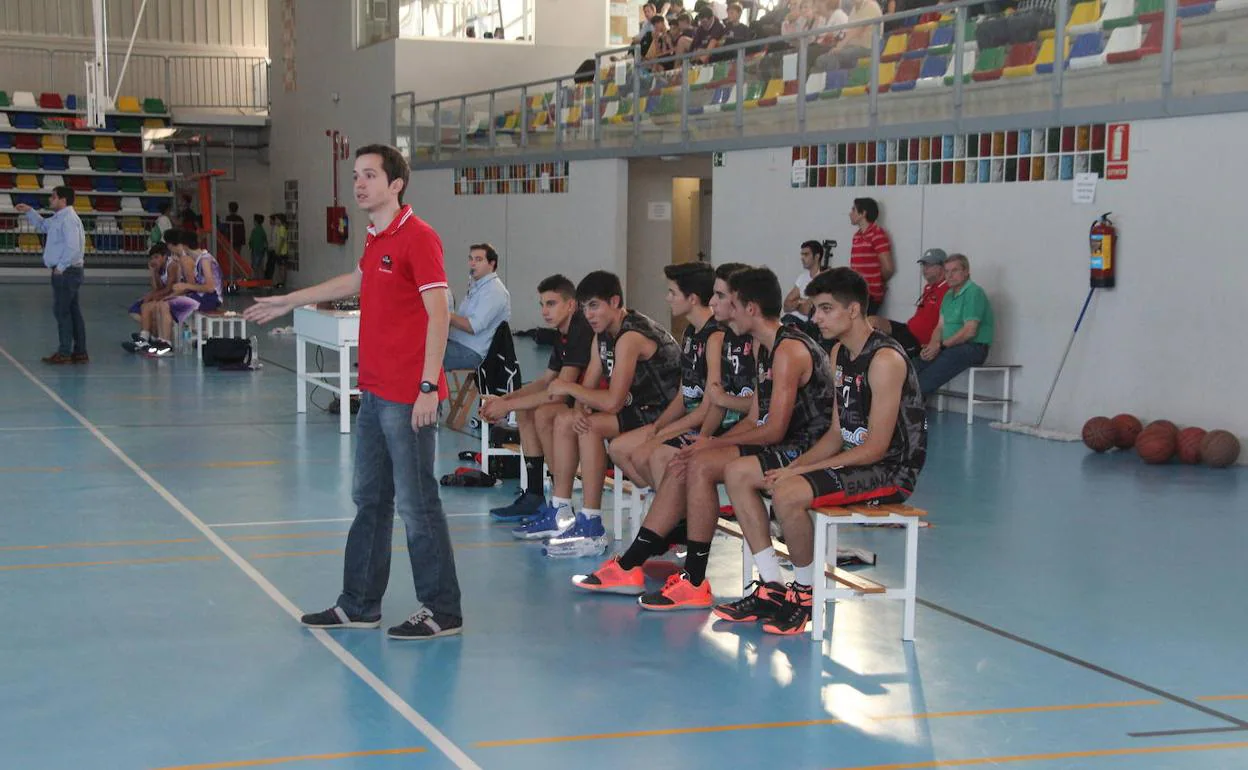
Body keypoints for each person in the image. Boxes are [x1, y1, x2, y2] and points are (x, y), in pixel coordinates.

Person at [243, 143, 463, 640]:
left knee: (416, 503)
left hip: (409, 395)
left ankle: (442, 609)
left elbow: (439, 315)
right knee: (370, 500)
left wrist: (429, 386)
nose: (359, 184)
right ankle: (359, 603)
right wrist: (287, 300)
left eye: (369, 175)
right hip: (375, 391)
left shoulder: (419, 238)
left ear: (395, 183)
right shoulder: (375, 237)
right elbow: (355, 281)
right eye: (357, 175)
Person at [573, 267, 835, 609]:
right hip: (779, 440)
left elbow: (774, 429)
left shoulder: (787, 349)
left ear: (749, 308)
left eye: (725, 299)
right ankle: (695, 579)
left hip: (804, 448)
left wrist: (710, 441)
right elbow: (757, 416)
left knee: (696, 460)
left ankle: (656, 565)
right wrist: (704, 443)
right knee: (692, 460)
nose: (716, 306)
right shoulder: (762, 346)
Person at [714, 267, 927, 635]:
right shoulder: (839, 353)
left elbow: (876, 447)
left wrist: (798, 474)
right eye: (815, 309)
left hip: (892, 470)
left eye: (826, 309)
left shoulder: (885, 360)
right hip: (856, 459)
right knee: (741, 474)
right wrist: (795, 465)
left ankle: (805, 594)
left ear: (855, 310)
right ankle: (771, 586)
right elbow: (834, 432)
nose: (817, 318)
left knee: (789, 493)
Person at [514, 271, 681, 558]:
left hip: (664, 413)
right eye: (585, 308)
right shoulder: (601, 336)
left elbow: (613, 401)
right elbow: (589, 384)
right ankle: (561, 510)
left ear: (615, 302)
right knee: (569, 421)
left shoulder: (631, 335)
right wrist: (578, 409)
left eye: (595, 306)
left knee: (588, 427)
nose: (589, 315)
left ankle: (591, 524)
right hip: (638, 409)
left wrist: (570, 389)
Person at [484, 274, 595, 522]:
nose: (545, 311)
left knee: (545, 412)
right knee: (526, 410)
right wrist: (504, 399)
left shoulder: (581, 330)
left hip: (592, 402)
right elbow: (546, 381)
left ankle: (560, 501)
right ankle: (534, 495)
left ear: (571, 305)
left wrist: (506, 406)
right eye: (542, 304)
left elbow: (558, 393)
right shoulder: (562, 332)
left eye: (551, 304)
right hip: (575, 399)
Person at [605, 262, 721, 492]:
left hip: (708, 425)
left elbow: (707, 408)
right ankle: (667, 503)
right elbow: (683, 393)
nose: (668, 298)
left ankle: (672, 514)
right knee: (619, 449)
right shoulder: (690, 333)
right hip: (688, 419)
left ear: (693, 299)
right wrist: (658, 426)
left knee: (646, 454)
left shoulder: (715, 337)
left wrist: (663, 432)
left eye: (673, 292)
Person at [16, 186, 88, 364]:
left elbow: (73, 247)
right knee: (73, 311)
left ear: (63, 200)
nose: (50, 199)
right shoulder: (59, 218)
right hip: (68, 271)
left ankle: (64, 353)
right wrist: (30, 212)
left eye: (53, 197)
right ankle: (80, 352)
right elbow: (43, 225)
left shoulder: (69, 220)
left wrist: (61, 267)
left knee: (62, 312)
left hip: (66, 272)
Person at [916, 253, 994, 395]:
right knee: (914, 365)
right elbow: (940, 326)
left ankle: (910, 407)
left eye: (955, 270)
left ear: (966, 272)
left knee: (926, 378)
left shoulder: (973, 292)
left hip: (973, 348)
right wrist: (933, 345)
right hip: (950, 347)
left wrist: (941, 346)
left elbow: (970, 331)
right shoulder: (948, 295)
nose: (950, 275)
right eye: (947, 271)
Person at [872, 248, 950, 359]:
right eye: (923, 265)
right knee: (873, 321)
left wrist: (934, 343)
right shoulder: (928, 287)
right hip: (909, 330)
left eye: (929, 265)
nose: (925, 269)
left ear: (942, 267)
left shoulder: (948, 290)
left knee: (882, 349)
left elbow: (944, 324)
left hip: (918, 341)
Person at [444, 243, 511, 371]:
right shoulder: (478, 287)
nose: (472, 264)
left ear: (492, 264)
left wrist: (445, 314)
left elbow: (472, 326)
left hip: (473, 352)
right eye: (471, 259)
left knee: (423, 357)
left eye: (478, 260)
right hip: (459, 344)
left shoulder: (494, 291)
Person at [849, 197, 894, 319]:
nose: (850, 213)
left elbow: (888, 268)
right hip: (856, 293)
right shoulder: (857, 236)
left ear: (863, 213)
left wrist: (877, 282)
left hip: (870, 295)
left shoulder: (877, 234)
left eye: (854, 210)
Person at [780, 239, 827, 335]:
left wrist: (796, 303)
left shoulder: (822, 279)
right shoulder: (802, 277)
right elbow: (785, 305)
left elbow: (807, 310)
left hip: (805, 326)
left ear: (817, 257)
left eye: (806, 254)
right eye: (802, 254)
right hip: (789, 321)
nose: (802, 258)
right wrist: (800, 302)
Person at [248, 214, 269, 278]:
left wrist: (250, 246)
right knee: (260, 266)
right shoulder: (262, 231)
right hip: (261, 251)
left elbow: (252, 241)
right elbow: (265, 241)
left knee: (255, 266)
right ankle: (261, 280)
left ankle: (255, 280)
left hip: (256, 250)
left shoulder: (255, 231)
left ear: (255, 221)